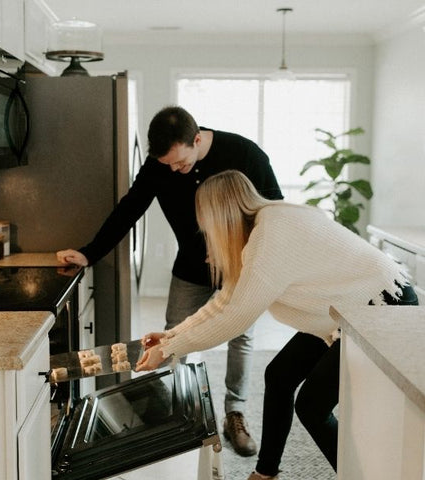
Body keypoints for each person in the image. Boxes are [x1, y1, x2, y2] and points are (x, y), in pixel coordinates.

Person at [136, 170, 418, 480]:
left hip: (380, 305)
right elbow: (225, 303)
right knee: (280, 375)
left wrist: (171, 349)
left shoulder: (270, 236)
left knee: (311, 406)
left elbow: (235, 317)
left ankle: (357, 476)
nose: (203, 227)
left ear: (219, 215)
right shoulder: (262, 228)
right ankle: (265, 473)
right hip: (346, 310)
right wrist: (172, 335)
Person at [56, 106, 283, 456]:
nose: (175, 171)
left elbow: (274, 210)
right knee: (174, 334)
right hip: (190, 268)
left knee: (242, 336)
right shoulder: (161, 165)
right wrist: (90, 252)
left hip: (240, 266)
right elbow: (129, 208)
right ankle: (182, 412)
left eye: (180, 163)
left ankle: (234, 414)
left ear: (196, 139)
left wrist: (243, 250)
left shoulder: (244, 153)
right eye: (168, 166)